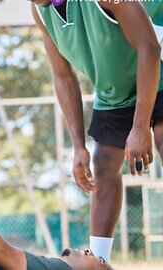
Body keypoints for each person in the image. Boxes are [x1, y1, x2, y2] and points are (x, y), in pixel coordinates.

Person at [30, 0, 163, 261]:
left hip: (158, 68)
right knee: (102, 165)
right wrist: (78, 146)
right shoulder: (39, 11)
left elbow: (149, 48)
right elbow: (63, 76)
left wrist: (139, 126)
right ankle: (98, 263)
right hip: (114, 92)